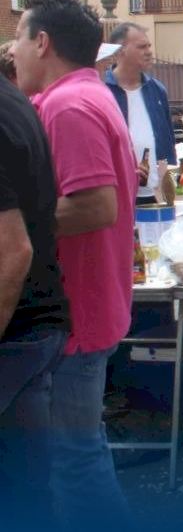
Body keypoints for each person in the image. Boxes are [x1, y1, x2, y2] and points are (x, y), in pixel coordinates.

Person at [11, 0, 135, 527]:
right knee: (79, 453)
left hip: (76, 312)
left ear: (42, 42)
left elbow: (95, 206)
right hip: (88, 304)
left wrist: (15, 228)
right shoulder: (86, 94)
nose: (12, 50)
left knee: (74, 460)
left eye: (17, 38)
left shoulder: (68, 106)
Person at [0, 56, 70, 528]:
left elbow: (13, 250)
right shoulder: (14, 100)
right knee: (28, 487)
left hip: (16, 330)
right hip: (35, 325)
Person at [103, 22, 177, 205]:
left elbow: (168, 140)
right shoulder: (102, 91)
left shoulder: (157, 90)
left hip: (157, 195)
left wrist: (171, 182)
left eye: (149, 46)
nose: (149, 52)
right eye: (142, 47)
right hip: (120, 196)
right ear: (120, 51)